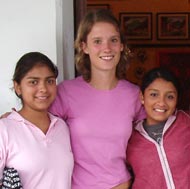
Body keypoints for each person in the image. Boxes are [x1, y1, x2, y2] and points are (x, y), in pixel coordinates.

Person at [49, 9, 145, 189]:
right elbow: (38, 134)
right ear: (84, 46)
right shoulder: (66, 92)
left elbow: (152, 142)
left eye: (113, 40)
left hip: (121, 185)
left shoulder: (134, 94)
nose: (107, 48)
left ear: (122, 45)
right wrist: (14, 120)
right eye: (97, 41)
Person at [0, 52, 74, 188]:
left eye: (50, 81)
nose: (43, 89)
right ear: (18, 87)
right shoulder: (4, 130)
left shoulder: (61, 127)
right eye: (33, 82)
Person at [126, 67, 190, 188]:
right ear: (142, 97)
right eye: (154, 94)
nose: (161, 102)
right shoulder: (129, 136)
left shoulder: (186, 122)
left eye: (170, 96)